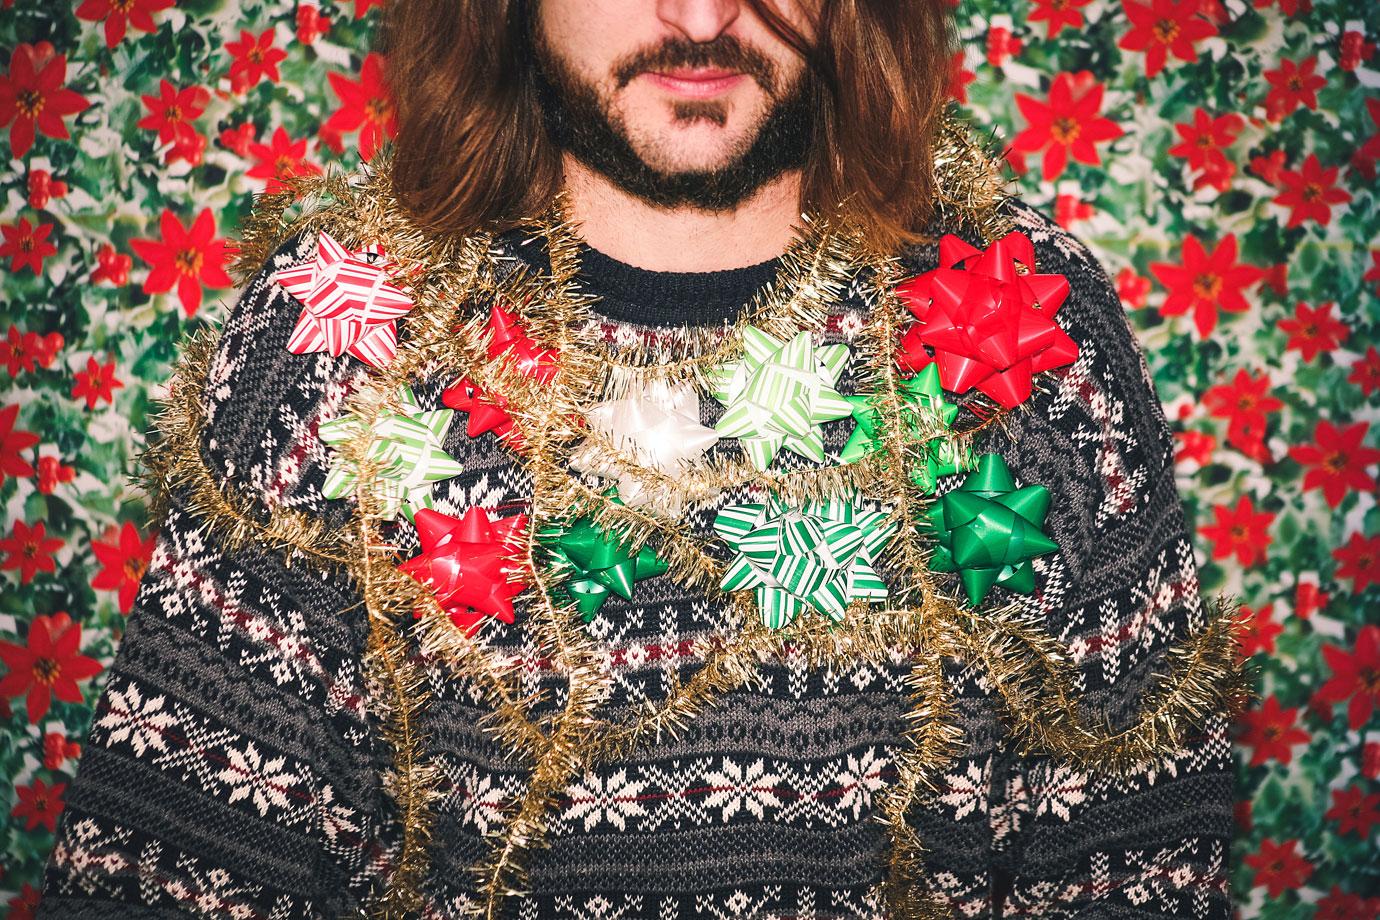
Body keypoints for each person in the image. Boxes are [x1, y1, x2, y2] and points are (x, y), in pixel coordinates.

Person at [38, 1, 1244, 918]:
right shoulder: (339, 336)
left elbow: (1142, 845)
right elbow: (169, 856)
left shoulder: (1026, 327)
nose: (704, 17)